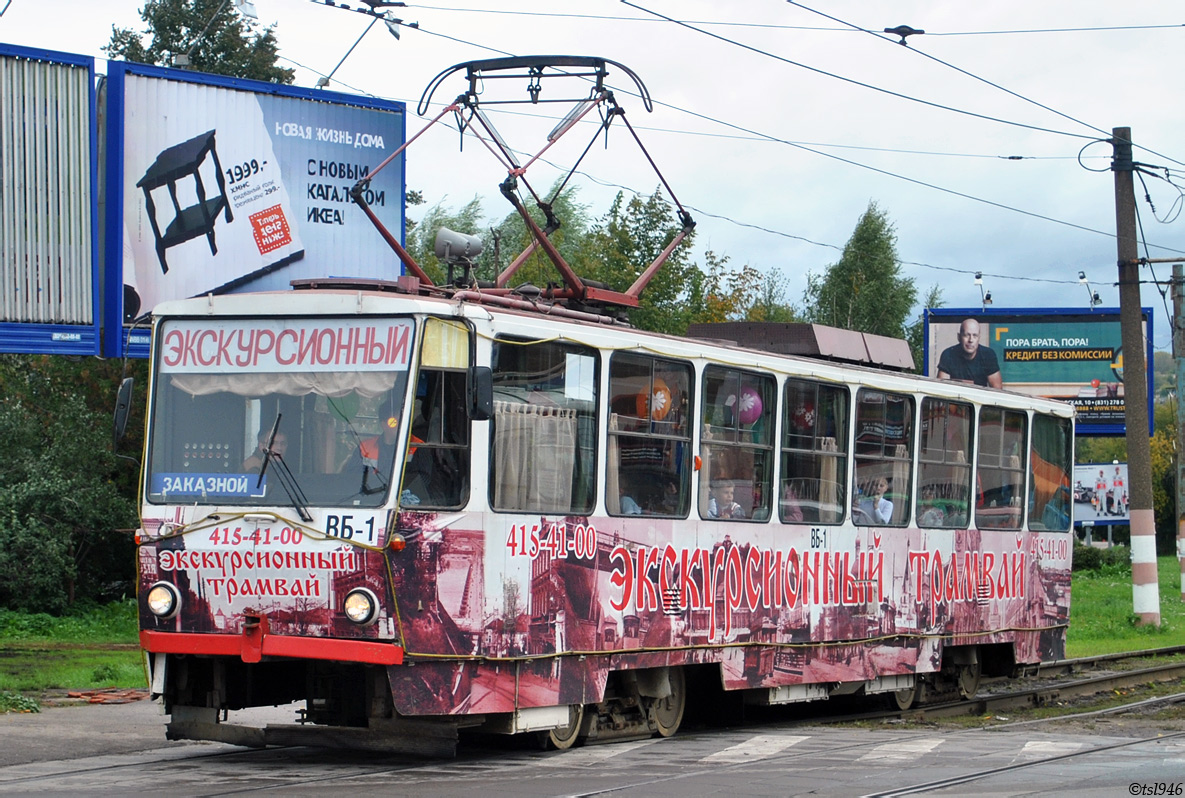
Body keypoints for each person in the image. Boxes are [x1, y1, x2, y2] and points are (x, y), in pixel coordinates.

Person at [936, 318, 1003, 389]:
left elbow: (997, 390)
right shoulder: (948, 355)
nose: (970, 340)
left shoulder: (988, 355)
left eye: (975, 335)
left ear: (979, 338)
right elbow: (941, 389)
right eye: (966, 335)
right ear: (959, 337)